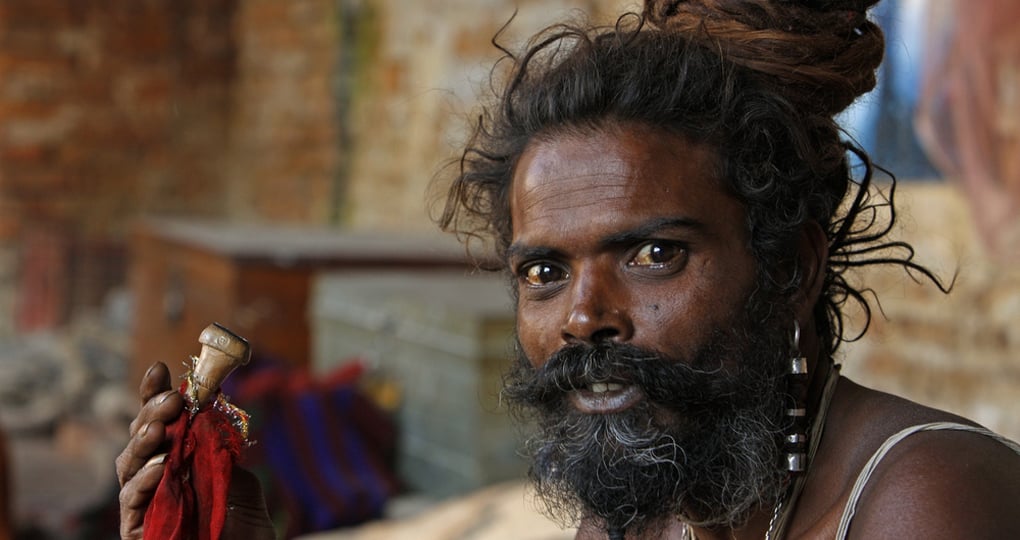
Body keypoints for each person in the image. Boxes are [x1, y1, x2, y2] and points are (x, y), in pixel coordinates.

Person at [117, 0, 1020, 538]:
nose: (584, 317)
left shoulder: (926, 499)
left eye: (655, 254)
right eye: (543, 272)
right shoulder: (646, 511)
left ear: (793, 266)